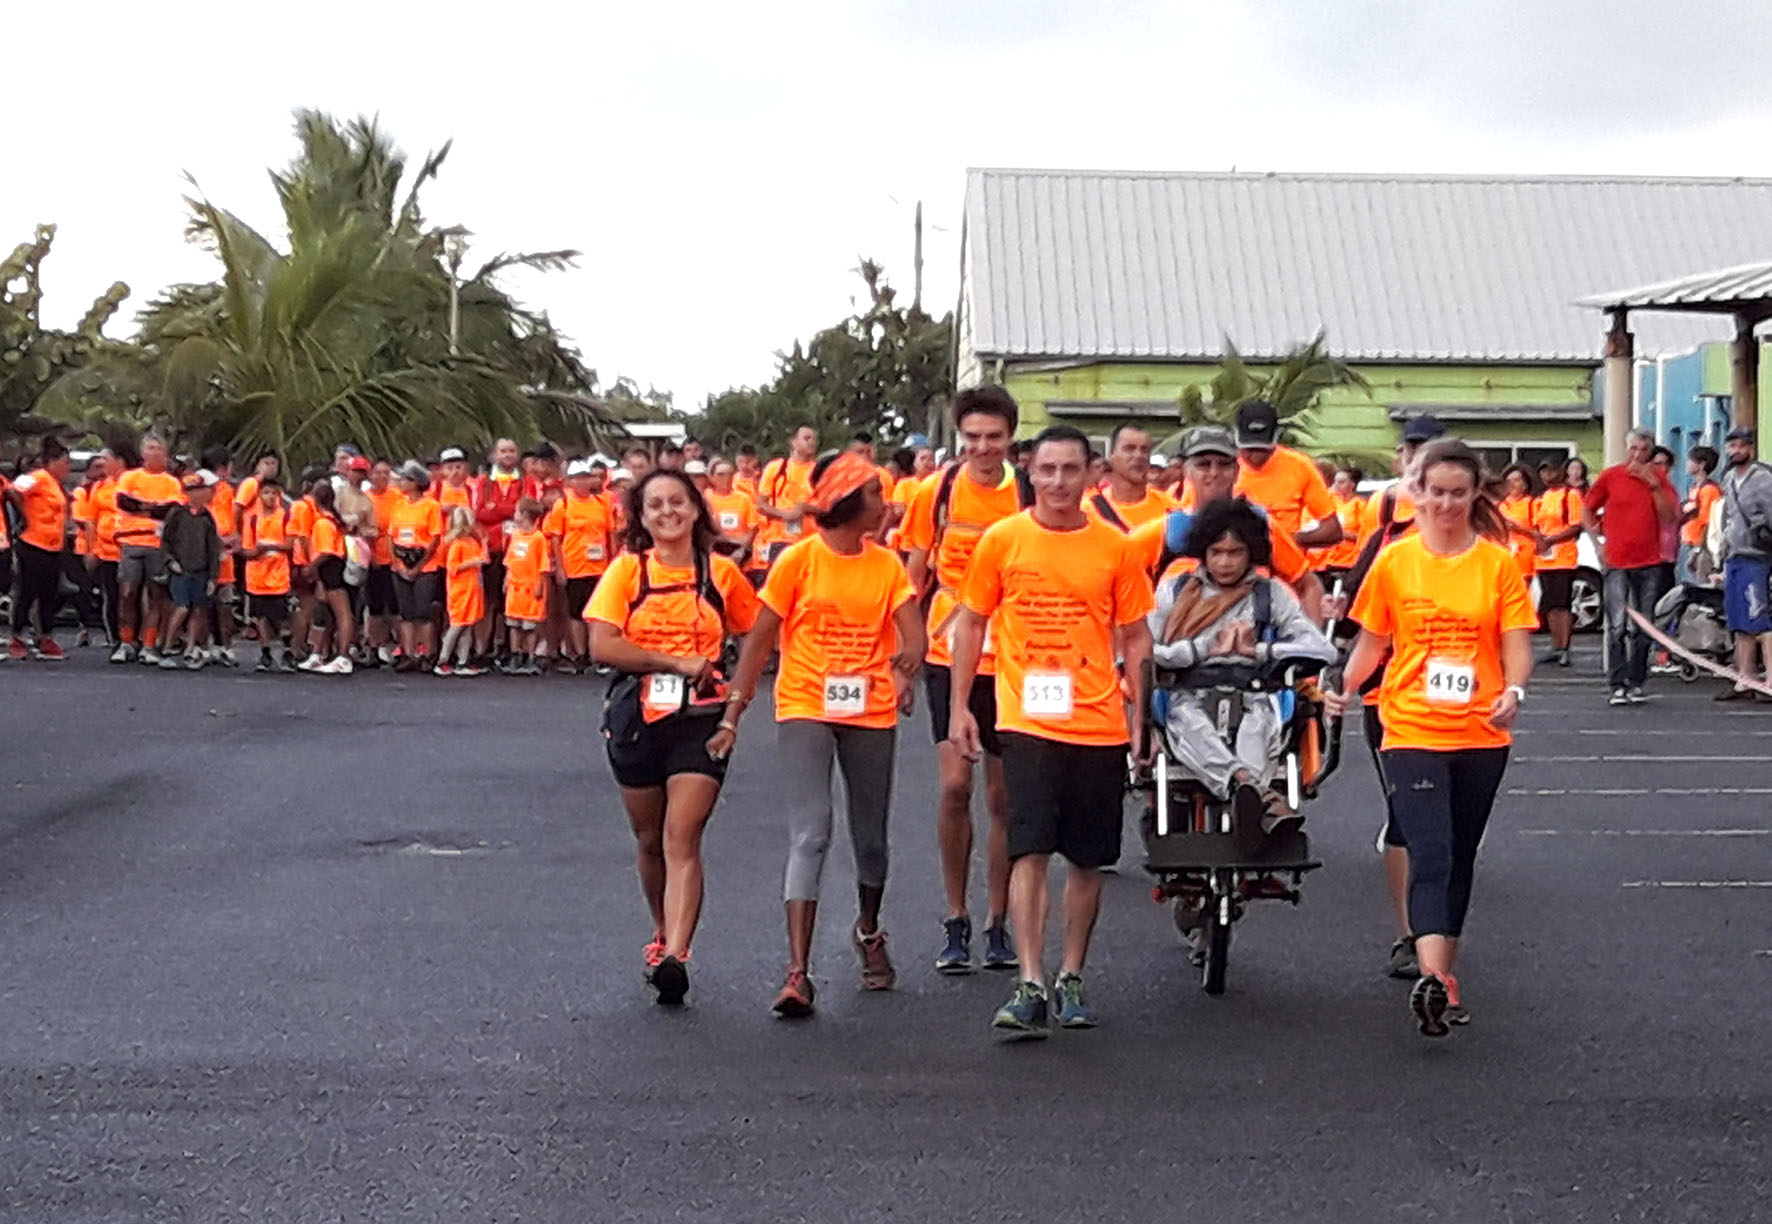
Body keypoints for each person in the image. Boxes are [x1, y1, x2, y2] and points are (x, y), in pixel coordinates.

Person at [948, 423, 1155, 1038]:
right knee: (1028, 846)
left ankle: (1071, 975)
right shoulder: (1002, 540)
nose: (1059, 482)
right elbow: (970, 623)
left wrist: (1141, 716)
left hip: (1096, 719)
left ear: (1093, 474)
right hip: (1025, 716)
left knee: (1088, 858)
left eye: (1071, 470)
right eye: (1047, 470)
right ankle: (1030, 981)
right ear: (1029, 474)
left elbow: (1138, 634)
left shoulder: (1115, 548)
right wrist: (961, 705)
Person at [1325, 438, 1536, 1038]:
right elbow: (1372, 641)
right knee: (1432, 851)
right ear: (1417, 492)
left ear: (1475, 495)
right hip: (1411, 724)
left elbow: (1517, 642)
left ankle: (1446, 969)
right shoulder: (1395, 561)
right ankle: (1434, 980)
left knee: (1460, 854)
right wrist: (1342, 683)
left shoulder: (1497, 563)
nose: (1445, 504)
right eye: (1434, 492)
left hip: (1480, 732)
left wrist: (1514, 692)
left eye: (1457, 493)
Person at [721, 453, 924, 1017]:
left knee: (871, 838)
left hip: (870, 710)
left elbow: (914, 638)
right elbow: (759, 641)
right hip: (806, 701)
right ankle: (797, 972)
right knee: (811, 832)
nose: (886, 506)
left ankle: (868, 929)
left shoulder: (886, 566)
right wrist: (732, 712)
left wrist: (902, 672)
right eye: (876, 496)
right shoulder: (798, 562)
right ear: (848, 503)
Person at [585, 468, 761, 1007]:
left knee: (682, 836)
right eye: (655, 505)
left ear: (695, 510)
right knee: (649, 838)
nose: (667, 513)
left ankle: (676, 956)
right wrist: (673, 661)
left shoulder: (721, 575)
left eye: (677, 503)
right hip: (637, 715)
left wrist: (734, 709)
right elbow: (603, 645)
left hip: (700, 719)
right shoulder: (626, 572)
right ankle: (661, 931)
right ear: (641, 518)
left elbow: (755, 640)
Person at [899, 385, 1032, 973]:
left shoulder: (1027, 492)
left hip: (1015, 653)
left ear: (1010, 439)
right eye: (972, 436)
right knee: (955, 787)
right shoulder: (937, 491)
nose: (982, 447)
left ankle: (998, 920)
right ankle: (955, 917)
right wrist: (899, 657)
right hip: (946, 648)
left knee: (1003, 797)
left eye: (994, 437)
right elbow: (911, 576)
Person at [1149, 497, 1337, 838]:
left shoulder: (1271, 594)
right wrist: (1200, 649)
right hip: (1187, 690)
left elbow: (1322, 650)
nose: (1224, 562)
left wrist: (1260, 651)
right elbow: (1145, 651)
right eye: (1216, 552)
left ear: (1251, 553)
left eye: (1234, 552)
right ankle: (1254, 792)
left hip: (1255, 691)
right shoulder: (1173, 591)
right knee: (1192, 725)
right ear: (1202, 552)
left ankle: (1247, 793)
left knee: (1257, 729)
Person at [1583, 429, 1677, 706]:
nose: (1637, 455)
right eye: (1633, 449)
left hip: (1649, 561)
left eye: (1643, 450)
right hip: (1616, 560)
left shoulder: (1658, 478)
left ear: (1650, 452)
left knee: (1644, 625)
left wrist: (1654, 486)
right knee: (1616, 626)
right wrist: (1597, 543)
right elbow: (1587, 508)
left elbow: (1669, 517)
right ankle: (1617, 684)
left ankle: (1636, 681)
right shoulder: (1611, 476)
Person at [1232, 399, 1342, 550]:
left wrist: (1285, 540)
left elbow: (1332, 531)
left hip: (1285, 567)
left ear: (1277, 438)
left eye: (1263, 449)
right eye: (1248, 449)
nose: (1255, 456)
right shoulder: (1218, 467)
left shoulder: (1299, 466)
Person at [112, 434, 184, 665]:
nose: (154, 452)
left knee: (156, 596)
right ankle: (126, 642)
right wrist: (152, 508)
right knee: (127, 592)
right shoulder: (129, 477)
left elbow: (170, 511)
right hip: (131, 541)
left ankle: (149, 644)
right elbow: (124, 502)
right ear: (143, 453)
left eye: (159, 449)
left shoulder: (171, 482)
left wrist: (143, 507)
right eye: (150, 448)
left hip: (157, 544)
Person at [1714, 427, 1772, 702]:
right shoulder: (1727, 479)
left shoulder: (1763, 479)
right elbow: (1727, 517)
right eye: (1732, 445)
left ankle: (1770, 680)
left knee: (1760, 620)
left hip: (1758, 556)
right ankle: (1744, 678)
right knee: (1739, 622)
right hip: (1734, 556)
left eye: (1742, 445)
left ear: (1750, 448)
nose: (1736, 450)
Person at [545, 459, 615, 672]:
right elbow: (556, 538)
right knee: (576, 612)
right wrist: (560, 568)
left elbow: (610, 534)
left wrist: (613, 564)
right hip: (575, 565)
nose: (583, 482)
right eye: (578, 478)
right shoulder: (563, 505)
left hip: (599, 567)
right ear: (570, 482)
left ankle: (597, 655)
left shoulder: (602, 504)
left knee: (597, 613)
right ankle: (580, 655)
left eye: (586, 477)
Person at [5, 439, 71, 660]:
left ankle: (44, 635)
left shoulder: (56, 485)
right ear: (51, 463)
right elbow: (12, 490)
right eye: (64, 463)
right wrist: (24, 517)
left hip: (53, 546)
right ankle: (16, 635)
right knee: (27, 590)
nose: (67, 469)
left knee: (49, 593)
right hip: (33, 542)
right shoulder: (39, 477)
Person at [157, 471, 223, 669]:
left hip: (201, 570)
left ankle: (190, 647)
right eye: (195, 490)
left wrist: (213, 576)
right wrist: (170, 562)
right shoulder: (178, 514)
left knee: (198, 608)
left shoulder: (206, 517)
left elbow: (213, 549)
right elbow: (165, 542)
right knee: (182, 606)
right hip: (181, 569)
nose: (202, 494)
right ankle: (168, 646)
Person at [388, 461, 445, 669]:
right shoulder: (399, 505)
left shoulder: (431, 506)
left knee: (423, 611)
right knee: (406, 612)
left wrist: (417, 567)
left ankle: (426, 653)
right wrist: (397, 563)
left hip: (424, 564)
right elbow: (391, 536)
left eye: (405, 479)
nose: (401, 483)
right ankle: (409, 653)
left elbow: (434, 538)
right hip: (401, 561)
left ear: (416, 482)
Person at [297, 482, 355, 675]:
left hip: (330, 568)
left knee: (342, 613)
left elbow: (325, 551)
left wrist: (310, 567)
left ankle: (344, 655)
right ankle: (318, 652)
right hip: (329, 568)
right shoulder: (332, 520)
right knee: (327, 613)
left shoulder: (323, 523)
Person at [1532, 457, 1584, 669]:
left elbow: (1575, 526)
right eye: (1543, 472)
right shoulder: (1541, 498)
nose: (1547, 476)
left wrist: (1551, 539)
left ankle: (1565, 647)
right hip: (1545, 560)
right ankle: (1555, 646)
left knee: (1563, 605)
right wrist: (1539, 540)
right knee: (1550, 605)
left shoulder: (1570, 495)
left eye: (1551, 471)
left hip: (1563, 557)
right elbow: (1536, 524)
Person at [241, 475, 296, 672]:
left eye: (274, 493)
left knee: (281, 617)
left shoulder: (286, 517)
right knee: (260, 616)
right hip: (256, 576)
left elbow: (289, 544)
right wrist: (256, 551)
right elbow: (247, 550)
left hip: (278, 576)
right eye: (266, 493)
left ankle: (287, 651)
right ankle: (265, 652)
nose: (270, 497)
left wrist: (271, 546)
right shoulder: (253, 519)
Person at [1085, 423, 1171, 530]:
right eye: (1129, 448)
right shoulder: (1089, 510)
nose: (1138, 455)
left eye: (1144, 450)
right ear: (1111, 454)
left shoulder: (1170, 510)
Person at [756, 425, 819, 567]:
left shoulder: (819, 471)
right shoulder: (776, 468)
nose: (812, 442)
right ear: (793, 442)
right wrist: (784, 514)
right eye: (807, 438)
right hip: (779, 539)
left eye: (814, 439)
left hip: (810, 539)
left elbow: (827, 506)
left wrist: (805, 508)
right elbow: (760, 504)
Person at [436, 507, 488, 677]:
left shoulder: (472, 543)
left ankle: (462, 660)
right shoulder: (456, 545)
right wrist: (473, 562)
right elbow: (452, 568)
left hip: (472, 589)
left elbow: (483, 560)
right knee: (457, 625)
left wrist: (484, 544)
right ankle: (442, 659)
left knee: (467, 627)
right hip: (460, 591)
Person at [502, 498, 551, 675]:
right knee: (514, 624)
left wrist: (539, 586)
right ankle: (516, 654)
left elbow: (543, 566)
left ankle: (530, 657)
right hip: (515, 588)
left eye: (517, 512)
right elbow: (510, 560)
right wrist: (507, 579)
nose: (514, 515)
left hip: (530, 588)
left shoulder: (538, 538)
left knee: (530, 626)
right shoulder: (515, 536)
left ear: (525, 515)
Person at [1682, 445, 1722, 584]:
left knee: (1703, 585)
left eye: (1690, 460)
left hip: (1704, 548)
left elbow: (1708, 522)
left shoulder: (1709, 490)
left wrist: (1699, 548)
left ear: (1701, 464)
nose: (1687, 464)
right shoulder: (1696, 488)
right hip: (1694, 544)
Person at [1498, 464, 1540, 585]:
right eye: (1509, 481)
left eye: (1516, 480)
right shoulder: (1501, 505)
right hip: (1505, 559)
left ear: (1524, 484)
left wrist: (1518, 529)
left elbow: (1540, 534)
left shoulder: (1532, 504)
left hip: (1525, 562)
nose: (1512, 484)